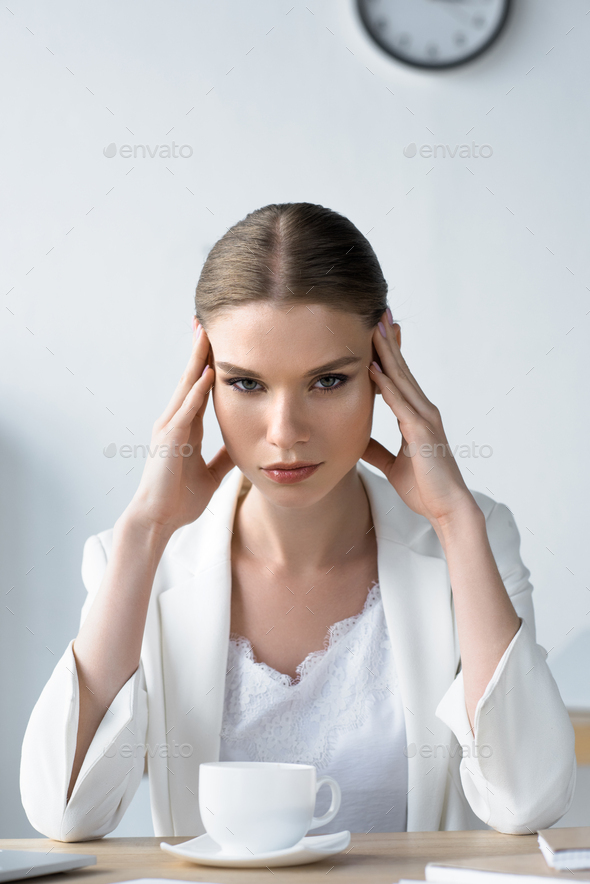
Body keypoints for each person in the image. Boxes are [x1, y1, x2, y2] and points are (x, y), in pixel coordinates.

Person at [20, 202, 576, 843]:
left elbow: (527, 802)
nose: (285, 434)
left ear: (385, 361)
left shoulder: (472, 539)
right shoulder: (145, 557)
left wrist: (455, 521)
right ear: (204, 381)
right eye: (248, 384)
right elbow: (63, 812)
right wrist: (146, 529)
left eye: (329, 380)